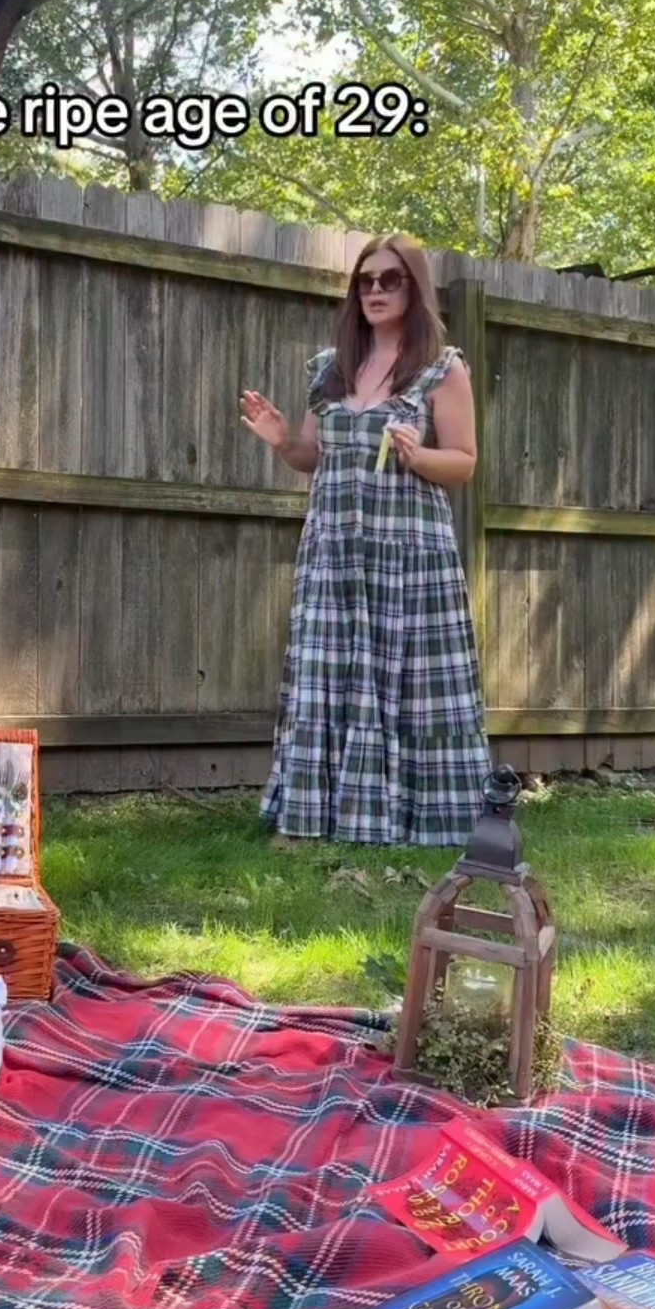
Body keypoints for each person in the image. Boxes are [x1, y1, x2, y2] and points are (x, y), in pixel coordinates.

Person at [240, 232, 491, 849]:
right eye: (366, 281)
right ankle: (311, 818)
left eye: (389, 279)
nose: (374, 291)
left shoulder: (442, 367)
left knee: (407, 680)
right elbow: (313, 456)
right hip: (334, 550)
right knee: (327, 673)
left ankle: (419, 818)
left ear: (414, 286)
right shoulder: (331, 369)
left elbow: (463, 463)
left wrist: (419, 453)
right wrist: (281, 441)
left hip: (409, 552)